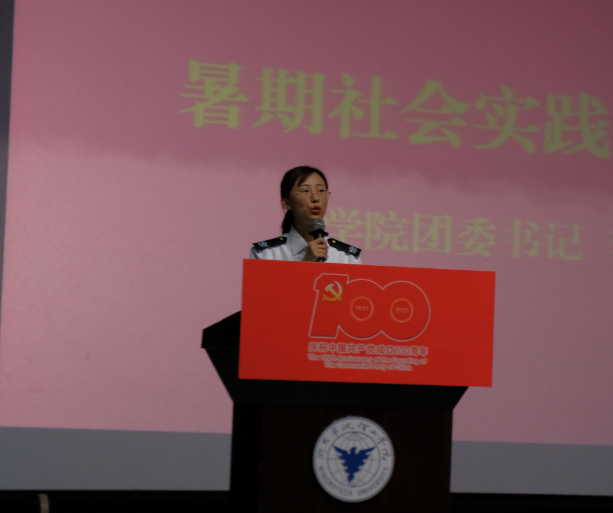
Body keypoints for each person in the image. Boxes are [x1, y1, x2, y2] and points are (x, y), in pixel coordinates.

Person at [250, 166, 362, 264]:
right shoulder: (265, 254)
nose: (316, 198)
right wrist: (306, 263)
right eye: (305, 191)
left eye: (321, 190)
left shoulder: (348, 257)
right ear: (287, 203)